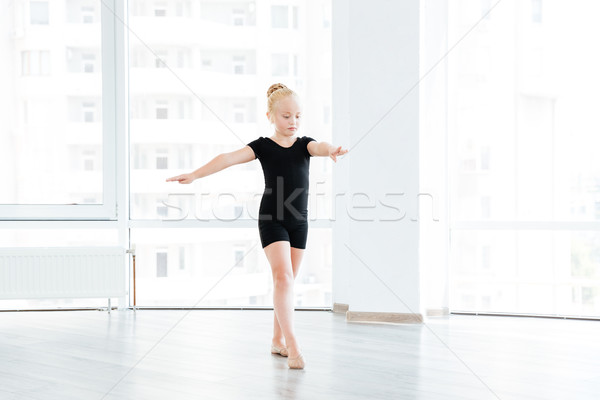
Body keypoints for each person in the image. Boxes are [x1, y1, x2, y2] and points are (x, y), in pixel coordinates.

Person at [166, 83, 348, 369]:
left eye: (298, 116)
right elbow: (227, 159)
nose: (293, 122)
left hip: (299, 221)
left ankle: (277, 340)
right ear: (271, 116)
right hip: (272, 219)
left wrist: (332, 149)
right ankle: (294, 347)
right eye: (286, 116)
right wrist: (195, 174)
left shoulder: (304, 145)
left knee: (286, 283)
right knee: (283, 279)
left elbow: (320, 147)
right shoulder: (263, 146)